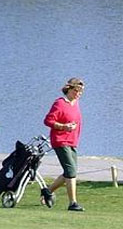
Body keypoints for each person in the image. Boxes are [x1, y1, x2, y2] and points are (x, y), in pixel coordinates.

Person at [42, 77, 85, 212]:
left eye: (80, 92)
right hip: (60, 141)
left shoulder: (76, 103)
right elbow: (48, 121)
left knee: (70, 172)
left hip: (72, 141)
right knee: (71, 172)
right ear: (69, 89)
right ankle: (73, 203)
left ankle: (47, 191)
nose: (78, 94)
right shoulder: (59, 103)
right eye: (76, 91)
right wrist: (63, 126)